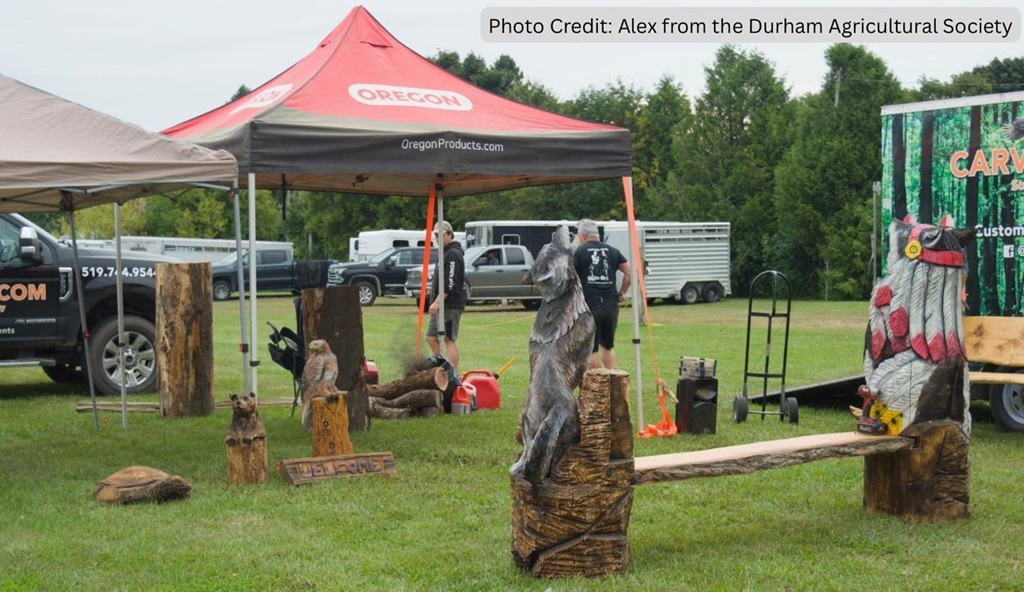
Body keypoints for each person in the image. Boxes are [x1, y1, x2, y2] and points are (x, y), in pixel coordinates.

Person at [573, 219, 630, 369]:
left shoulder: (578, 252)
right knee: (607, 346)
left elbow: (569, 276)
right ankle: (613, 379)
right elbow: (630, 273)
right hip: (611, 305)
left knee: (590, 350)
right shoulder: (613, 251)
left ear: (583, 235)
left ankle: (600, 384)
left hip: (589, 305)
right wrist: (623, 292)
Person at [426, 221, 467, 371]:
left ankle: (453, 373)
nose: (437, 238)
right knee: (430, 337)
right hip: (441, 303)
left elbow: (449, 282)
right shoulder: (443, 252)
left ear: (449, 234)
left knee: (449, 339)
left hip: (450, 304)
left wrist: (437, 302)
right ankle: (443, 364)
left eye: (441, 235)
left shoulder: (453, 254)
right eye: (436, 235)